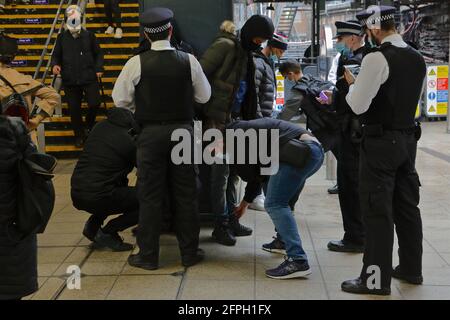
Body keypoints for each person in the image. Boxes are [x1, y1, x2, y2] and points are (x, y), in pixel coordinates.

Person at [112, 7, 211, 270]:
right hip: (184, 134)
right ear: (170, 31)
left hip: (150, 135)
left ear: (146, 34)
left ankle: (148, 256)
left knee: (150, 195)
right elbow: (204, 97)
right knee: (187, 194)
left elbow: (119, 100)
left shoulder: (135, 63)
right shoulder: (188, 60)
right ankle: (189, 253)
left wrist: (141, 109)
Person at [336, 6, 426, 295]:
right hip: (407, 141)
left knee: (377, 212)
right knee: (407, 207)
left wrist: (353, 85)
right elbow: (414, 100)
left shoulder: (377, 58)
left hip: (379, 144)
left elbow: (357, 105)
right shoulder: (416, 57)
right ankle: (411, 269)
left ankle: (374, 281)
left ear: (374, 29)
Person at [199, 16, 274, 246]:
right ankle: (220, 224)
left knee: (231, 174)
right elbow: (199, 76)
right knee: (220, 175)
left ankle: (230, 219)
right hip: (216, 121)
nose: (260, 44)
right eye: (258, 39)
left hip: (237, 122)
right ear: (251, 33)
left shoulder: (247, 53)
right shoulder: (226, 46)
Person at [227, 118, 324, 279]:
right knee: (273, 191)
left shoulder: (238, 136)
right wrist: (245, 204)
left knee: (275, 204)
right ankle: (283, 241)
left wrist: (244, 203)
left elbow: (251, 173)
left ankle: (298, 260)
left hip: (300, 153)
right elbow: (260, 175)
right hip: (310, 152)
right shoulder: (244, 132)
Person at [318, 20, 367, 254]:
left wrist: (333, 98)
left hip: (352, 132)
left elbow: (352, 98)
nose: (338, 44)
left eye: (341, 39)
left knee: (350, 185)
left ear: (353, 38)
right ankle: (358, 234)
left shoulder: (354, 61)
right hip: (355, 131)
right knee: (352, 184)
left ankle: (355, 237)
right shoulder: (364, 58)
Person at [71, 107, 139, 251]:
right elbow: (146, 167)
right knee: (152, 199)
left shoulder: (99, 126)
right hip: (98, 195)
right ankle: (108, 232)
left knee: (112, 187)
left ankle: (92, 227)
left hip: (77, 191)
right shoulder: (127, 138)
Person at [51, 5, 104, 148]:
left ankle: (88, 126)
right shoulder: (61, 38)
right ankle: (79, 136)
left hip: (89, 76)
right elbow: (56, 55)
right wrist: (55, 65)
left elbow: (99, 54)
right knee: (74, 110)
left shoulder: (90, 36)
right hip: (70, 79)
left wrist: (99, 68)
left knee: (95, 103)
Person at [0, 33, 60, 138]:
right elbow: (53, 95)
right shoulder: (24, 79)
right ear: (13, 56)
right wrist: (34, 121)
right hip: (22, 138)